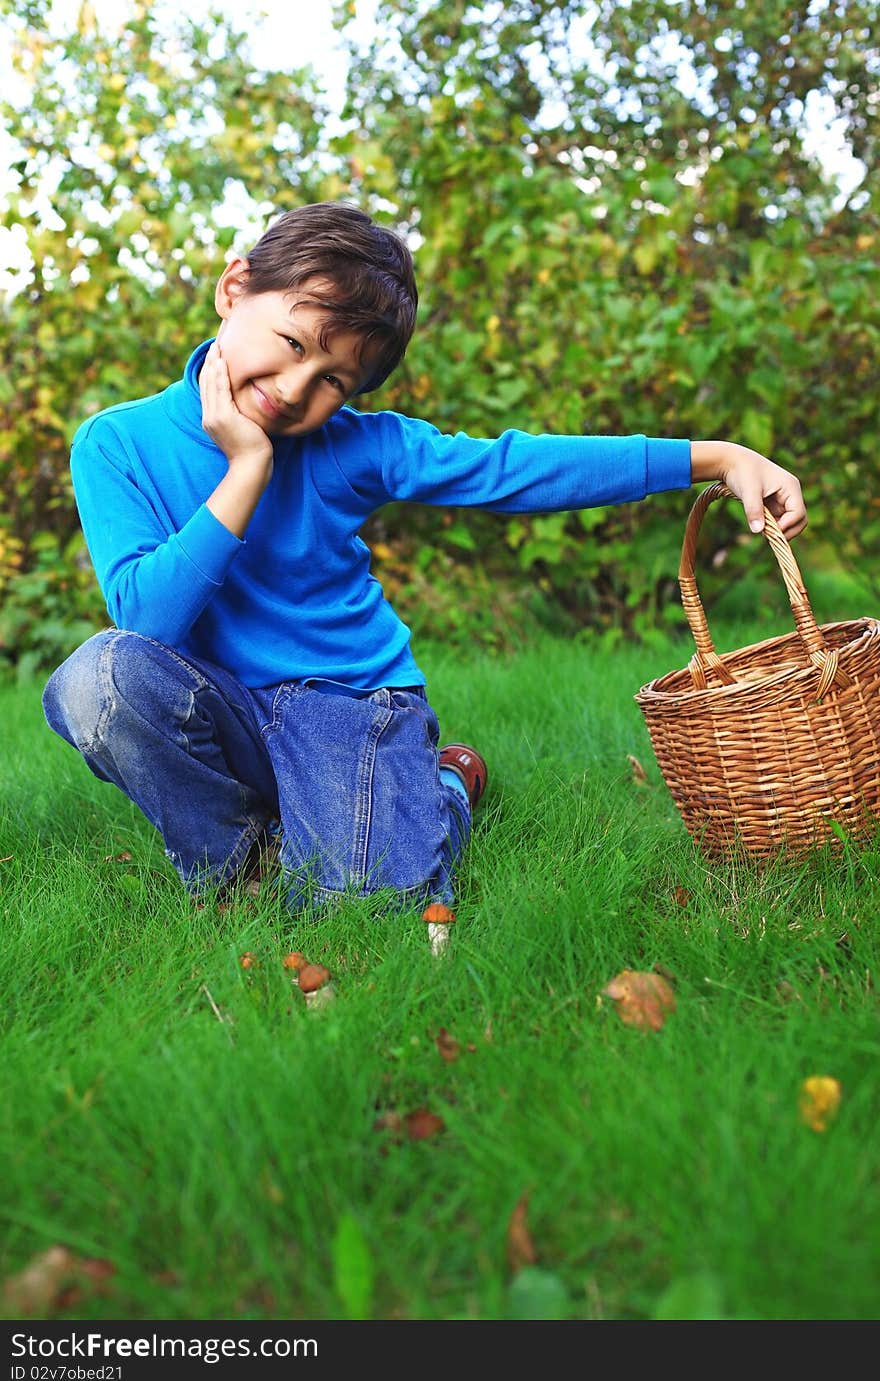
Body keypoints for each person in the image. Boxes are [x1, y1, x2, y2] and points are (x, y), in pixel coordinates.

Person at [42, 202, 807, 913]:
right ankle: (236, 869)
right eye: (291, 344)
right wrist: (246, 471)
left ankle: (443, 783)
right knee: (99, 678)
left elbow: (515, 469)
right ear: (235, 288)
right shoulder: (116, 443)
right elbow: (146, 619)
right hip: (222, 706)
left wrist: (714, 456)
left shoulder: (357, 448)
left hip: (346, 702)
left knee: (363, 905)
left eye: (332, 380)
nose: (294, 389)